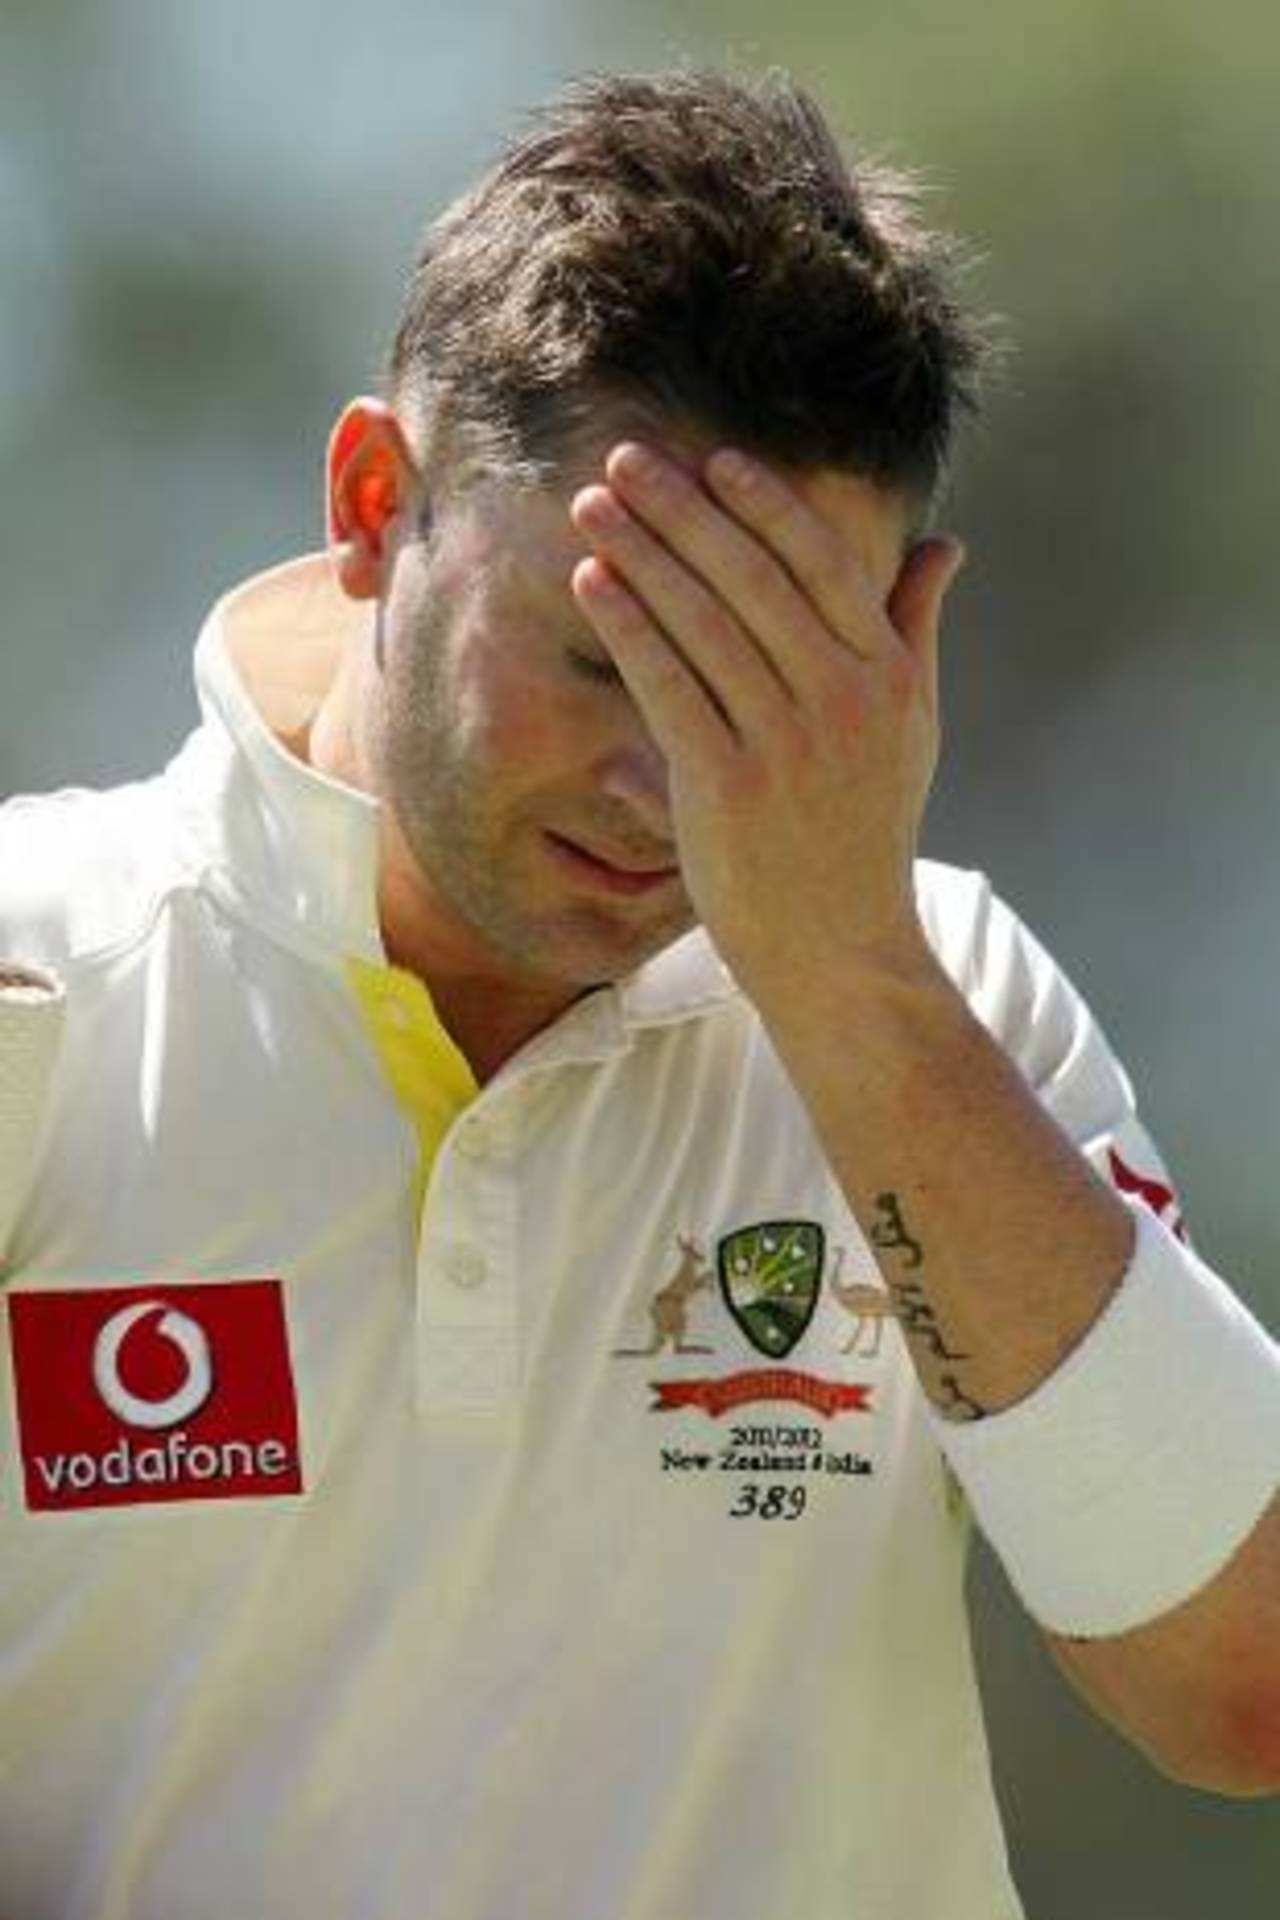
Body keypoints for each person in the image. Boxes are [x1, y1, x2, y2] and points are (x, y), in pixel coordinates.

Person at [0, 68, 1276, 1920]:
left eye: (757, 687)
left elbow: (1237, 1688)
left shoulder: (951, 995)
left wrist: (844, 978)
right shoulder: (43, 977)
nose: (667, 785)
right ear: (375, 504)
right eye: (607, 662)